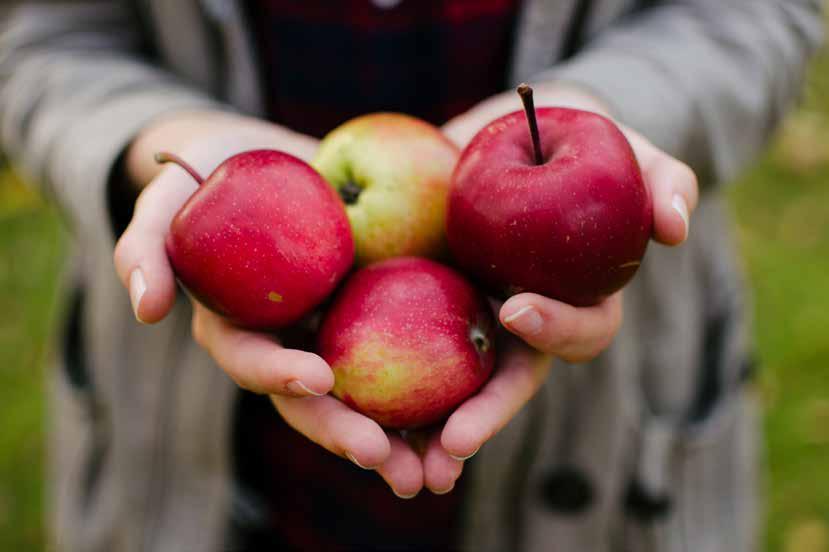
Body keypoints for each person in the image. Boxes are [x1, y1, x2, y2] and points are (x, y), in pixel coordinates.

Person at [0, 1, 822, 551]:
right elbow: (39, 38)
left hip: (607, 439)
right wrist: (155, 138)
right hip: (200, 452)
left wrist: (606, 102)